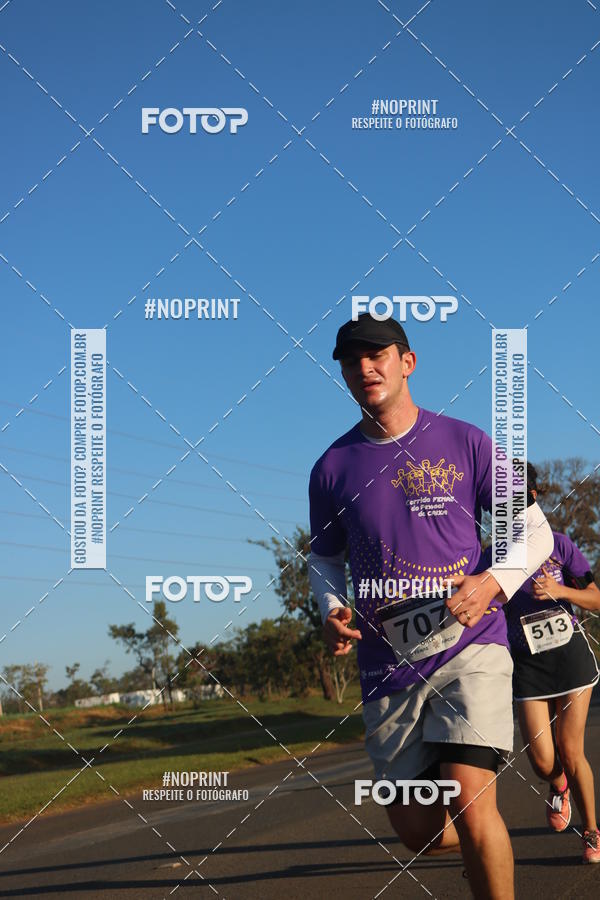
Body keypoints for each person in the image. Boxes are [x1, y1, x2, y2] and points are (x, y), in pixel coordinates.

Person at [308, 313, 554, 899]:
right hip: (387, 665)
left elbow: (535, 530)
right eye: (352, 359)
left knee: (473, 806)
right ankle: (475, 844)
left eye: (378, 355)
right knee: (419, 832)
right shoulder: (332, 468)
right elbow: (323, 559)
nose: (365, 367)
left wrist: (493, 582)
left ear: (407, 362)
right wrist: (332, 607)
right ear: (342, 372)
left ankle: (482, 843)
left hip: (471, 645)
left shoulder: (464, 440)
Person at [502, 462, 600, 863]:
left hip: (570, 659)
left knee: (571, 749)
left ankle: (593, 831)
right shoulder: (493, 556)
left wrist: (561, 590)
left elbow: (595, 596)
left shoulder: (559, 545)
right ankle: (557, 784)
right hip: (528, 666)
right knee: (544, 761)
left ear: (533, 498)